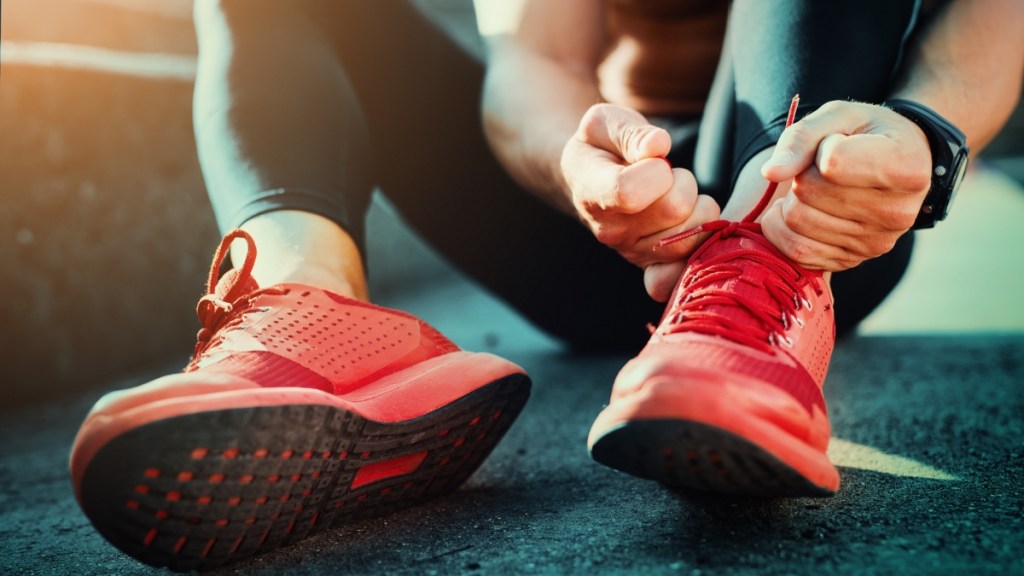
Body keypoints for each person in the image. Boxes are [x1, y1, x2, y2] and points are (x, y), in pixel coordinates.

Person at [69, 0, 1022, 570]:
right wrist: (585, 172)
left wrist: (928, 135)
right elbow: (533, 64)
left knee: (787, 206)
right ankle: (307, 312)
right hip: (612, 226)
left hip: (824, 216)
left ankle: (750, 298)